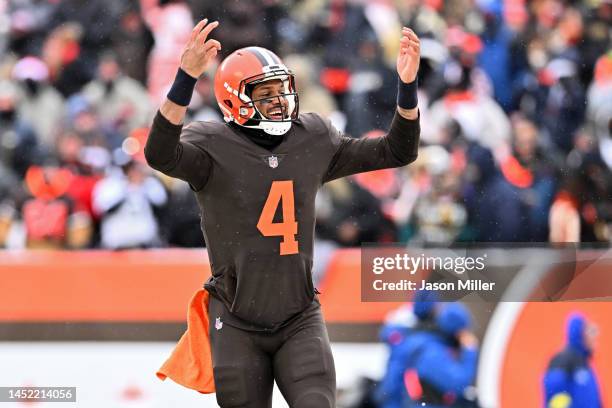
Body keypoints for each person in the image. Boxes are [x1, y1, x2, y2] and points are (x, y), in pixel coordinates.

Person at [145, 18, 421, 408]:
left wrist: (406, 88)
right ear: (233, 101)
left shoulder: (312, 137)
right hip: (237, 322)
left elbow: (397, 151)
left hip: (299, 317)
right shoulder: (211, 145)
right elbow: (158, 153)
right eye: (265, 93)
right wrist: (185, 79)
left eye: (282, 89)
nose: (279, 100)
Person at [543, 313, 602, 408]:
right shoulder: (562, 361)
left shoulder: (585, 365)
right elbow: (554, 398)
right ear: (580, 334)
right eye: (590, 332)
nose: (594, 337)